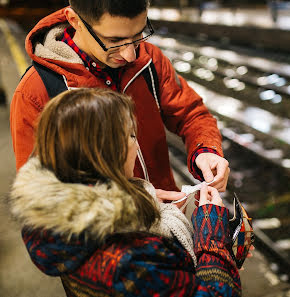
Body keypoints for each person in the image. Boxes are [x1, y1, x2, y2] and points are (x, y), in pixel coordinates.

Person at [9, 88, 241, 296]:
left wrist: (138, 201)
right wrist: (212, 235)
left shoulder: (52, 222)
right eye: (131, 136)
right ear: (105, 153)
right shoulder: (130, 260)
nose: (137, 144)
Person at [10, 0, 230, 202]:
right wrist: (132, 203)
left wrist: (206, 151)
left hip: (168, 222)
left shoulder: (148, 59)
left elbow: (191, 114)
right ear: (74, 20)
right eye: (114, 41)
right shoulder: (38, 92)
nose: (130, 55)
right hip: (108, 238)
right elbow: (39, 196)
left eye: (138, 35)